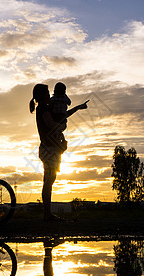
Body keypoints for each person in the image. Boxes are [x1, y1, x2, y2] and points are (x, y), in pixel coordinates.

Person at [29, 83, 88, 221]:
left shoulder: (46, 108)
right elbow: (51, 124)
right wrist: (61, 127)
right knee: (49, 181)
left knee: (49, 180)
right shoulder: (43, 109)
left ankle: (47, 214)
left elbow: (62, 115)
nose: (50, 94)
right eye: (48, 92)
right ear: (43, 95)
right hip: (49, 150)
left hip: (50, 149)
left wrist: (78, 108)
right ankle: (47, 215)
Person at [49, 82, 71, 150]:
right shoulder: (64, 99)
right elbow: (69, 103)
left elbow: (49, 107)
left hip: (57, 117)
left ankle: (61, 140)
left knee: (58, 131)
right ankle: (62, 141)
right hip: (60, 117)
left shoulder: (53, 99)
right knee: (59, 130)